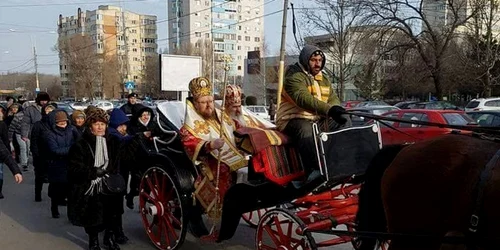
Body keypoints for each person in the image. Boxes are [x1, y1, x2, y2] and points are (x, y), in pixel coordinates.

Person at [276, 45, 350, 174]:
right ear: (305, 60)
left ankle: (340, 163)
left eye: (320, 61)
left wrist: (335, 109)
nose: (317, 64)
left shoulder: (324, 78)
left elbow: (332, 98)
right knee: (306, 129)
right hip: (292, 120)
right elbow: (303, 99)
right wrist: (329, 110)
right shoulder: (293, 76)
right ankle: (314, 171)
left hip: (317, 119)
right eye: (313, 60)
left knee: (344, 120)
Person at [180, 77, 247, 218]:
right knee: (223, 169)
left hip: (232, 154)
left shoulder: (220, 115)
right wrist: (210, 144)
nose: (209, 105)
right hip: (207, 161)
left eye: (210, 101)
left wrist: (240, 118)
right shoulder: (189, 126)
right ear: (195, 104)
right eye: (203, 102)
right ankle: (220, 207)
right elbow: (189, 142)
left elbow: (237, 128)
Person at [67, 108, 126, 250]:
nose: (100, 127)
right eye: (96, 124)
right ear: (90, 126)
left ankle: (109, 238)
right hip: (90, 185)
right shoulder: (80, 144)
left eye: (103, 124)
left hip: (110, 185)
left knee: (112, 214)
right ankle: (93, 241)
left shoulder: (114, 142)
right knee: (93, 216)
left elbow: (119, 162)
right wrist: (93, 172)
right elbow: (74, 168)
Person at [44, 109, 78, 218]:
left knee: (71, 191)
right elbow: (54, 150)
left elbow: (79, 142)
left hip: (71, 164)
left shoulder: (72, 130)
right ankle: (54, 209)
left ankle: (71, 214)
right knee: (56, 190)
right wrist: (72, 149)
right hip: (56, 165)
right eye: (60, 123)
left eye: (65, 122)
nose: (63, 125)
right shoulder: (50, 134)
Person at [30, 104, 56, 202]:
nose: (49, 113)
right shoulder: (38, 125)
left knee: (54, 178)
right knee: (39, 176)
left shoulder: (56, 124)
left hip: (53, 155)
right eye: (47, 111)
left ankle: (55, 197)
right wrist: (35, 154)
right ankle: (38, 194)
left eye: (51, 111)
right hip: (40, 155)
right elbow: (34, 140)